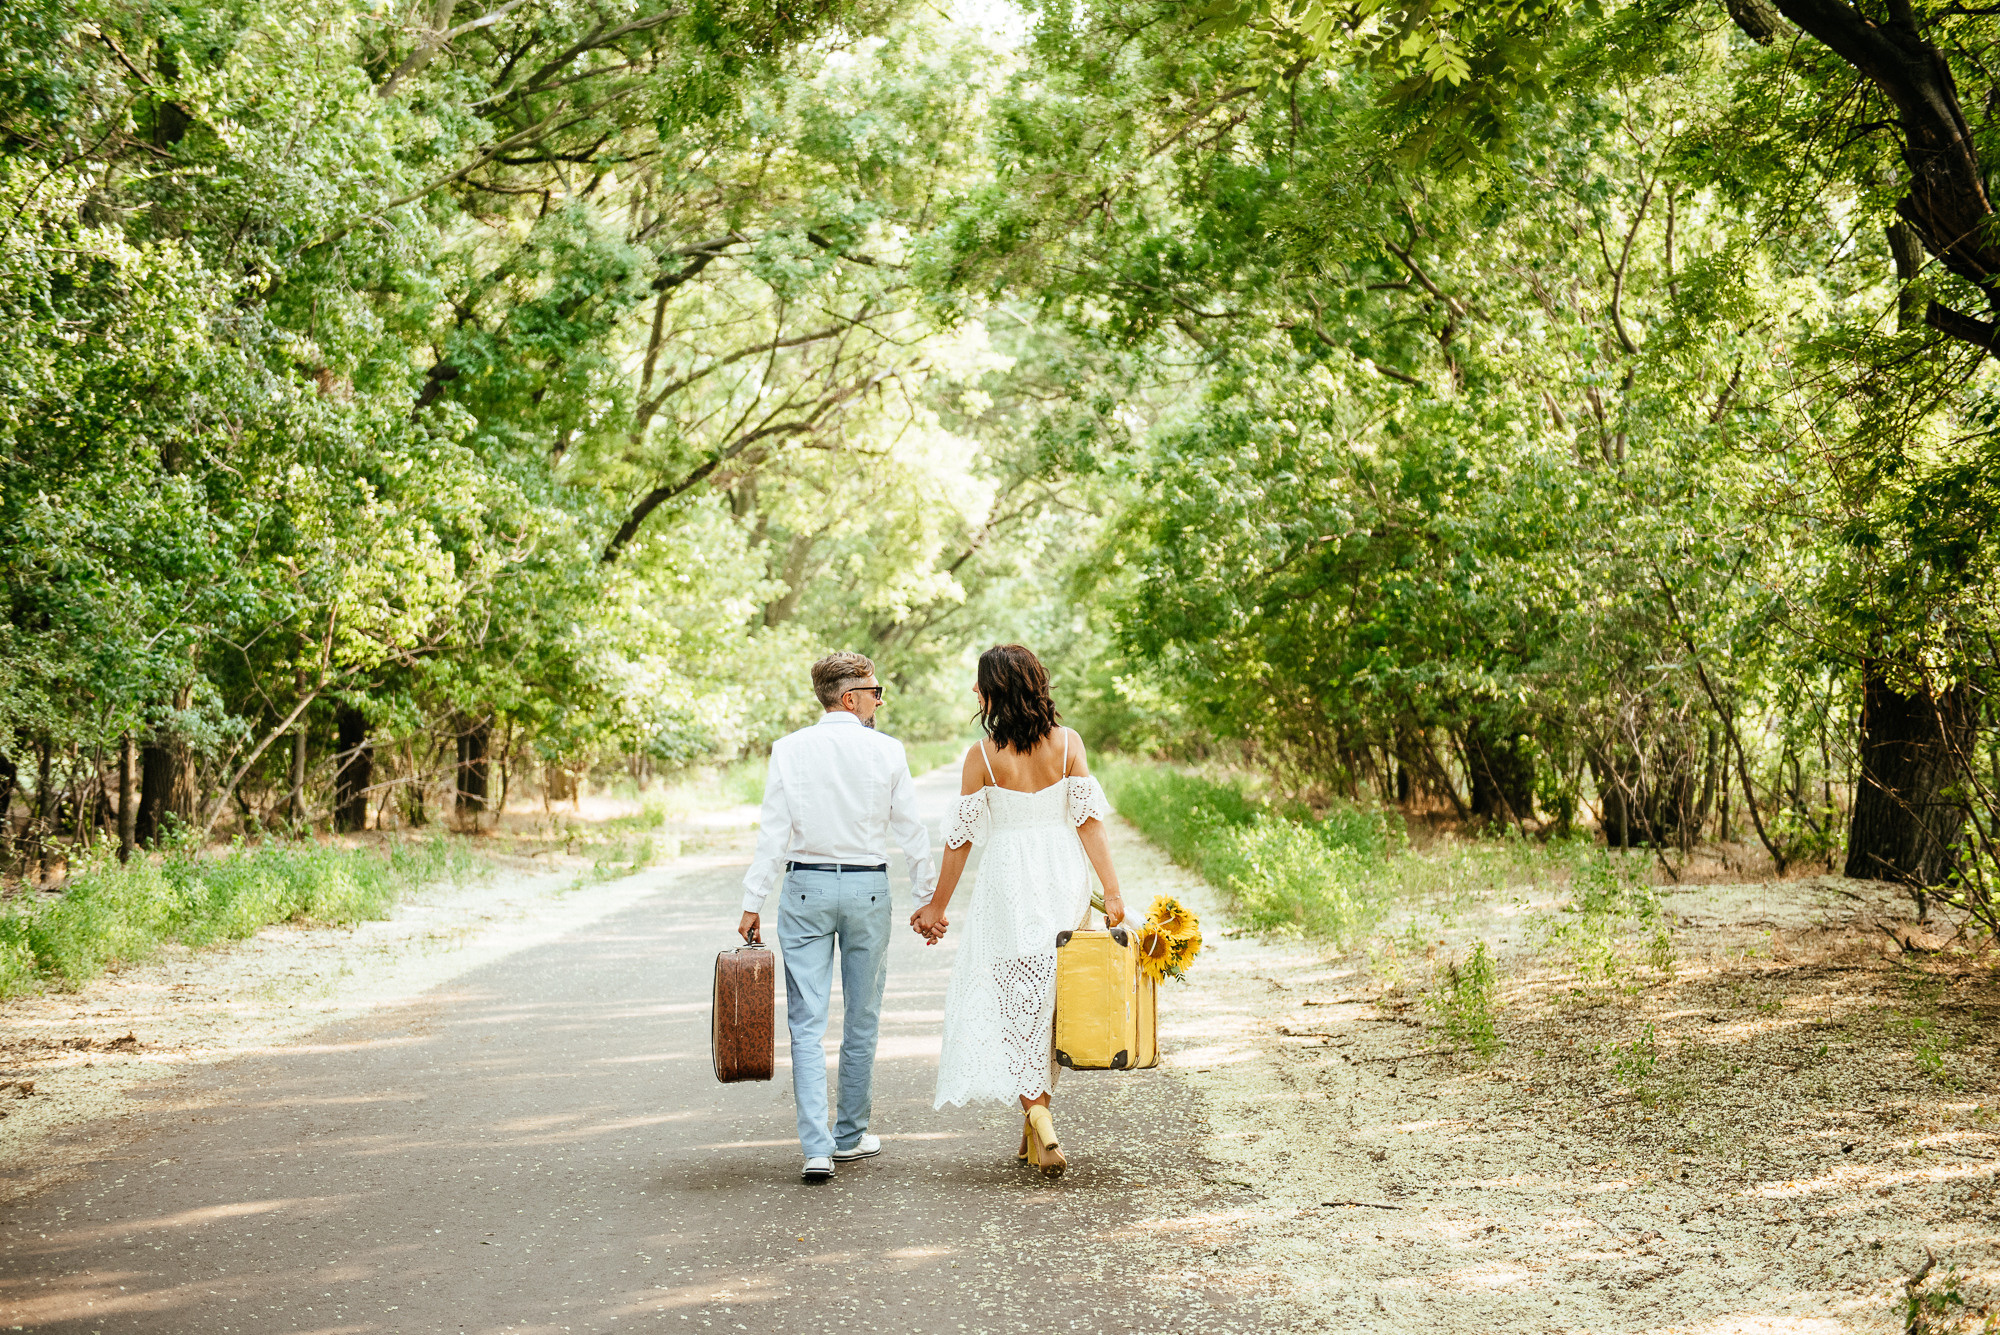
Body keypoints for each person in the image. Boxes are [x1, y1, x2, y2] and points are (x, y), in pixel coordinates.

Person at [911, 643, 1125, 1178]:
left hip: (1008, 883)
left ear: (993, 692)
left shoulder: (981, 756)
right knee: (1053, 1001)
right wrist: (1114, 892)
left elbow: (960, 841)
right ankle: (1038, 1122)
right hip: (1062, 877)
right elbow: (1089, 823)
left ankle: (1038, 1119)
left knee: (1018, 1001)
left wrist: (937, 907)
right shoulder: (1068, 743)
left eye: (979, 684)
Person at [742, 652, 935, 1184]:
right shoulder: (887, 752)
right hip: (868, 889)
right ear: (850, 697)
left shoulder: (788, 750)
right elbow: (912, 831)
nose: (879, 699)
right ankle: (850, 1135)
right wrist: (925, 898)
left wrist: (752, 901)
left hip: (804, 887)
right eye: (875, 690)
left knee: (805, 1023)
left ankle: (817, 1148)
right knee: (862, 1015)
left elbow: (772, 833)